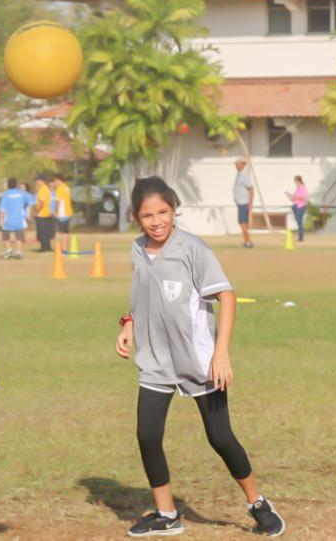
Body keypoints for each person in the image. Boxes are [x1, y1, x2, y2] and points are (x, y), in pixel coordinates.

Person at [115, 176, 286, 538]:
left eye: (163, 212)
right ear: (136, 217)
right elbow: (142, 295)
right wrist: (128, 323)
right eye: (147, 215)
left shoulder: (194, 249)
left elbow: (227, 296)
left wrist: (220, 353)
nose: (157, 221)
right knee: (147, 435)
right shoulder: (137, 249)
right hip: (157, 360)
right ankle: (166, 514)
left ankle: (258, 505)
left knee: (220, 438)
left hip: (199, 360)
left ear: (174, 208)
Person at [0, 178, 30, 259]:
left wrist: (1, 219)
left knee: (5, 237)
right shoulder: (21, 193)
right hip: (19, 219)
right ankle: (18, 252)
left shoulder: (6, 194)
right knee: (19, 236)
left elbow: (2, 209)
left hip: (8, 219)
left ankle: (8, 250)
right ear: (16, 184)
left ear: (8, 184)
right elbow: (30, 202)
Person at [232, 159, 254, 249]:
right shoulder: (239, 175)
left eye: (237, 164)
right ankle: (246, 241)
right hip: (240, 203)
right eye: (235, 164)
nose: (236, 165)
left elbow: (251, 189)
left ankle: (248, 242)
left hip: (244, 203)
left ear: (242, 165)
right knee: (241, 222)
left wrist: (250, 203)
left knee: (243, 222)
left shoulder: (244, 176)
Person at [33, 175, 55, 253]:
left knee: (42, 232)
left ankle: (44, 248)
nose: (36, 182)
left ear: (42, 181)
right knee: (45, 232)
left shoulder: (42, 189)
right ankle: (47, 247)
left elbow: (42, 202)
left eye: (38, 180)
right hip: (46, 212)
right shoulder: (45, 188)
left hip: (42, 213)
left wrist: (37, 210)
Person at [53, 173, 74, 252]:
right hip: (68, 211)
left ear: (58, 180)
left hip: (62, 212)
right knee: (66, 231)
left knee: (62, 232)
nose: (54, 183)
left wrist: (56, 211)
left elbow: (58, 201)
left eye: (55, 181)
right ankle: (64, 248)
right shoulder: (67, 188)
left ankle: (63, 249)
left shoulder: (60, 188)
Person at [286, 175, 307, 243]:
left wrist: (294, 197)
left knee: (299, 221)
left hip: (300, 206)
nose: (295, 182)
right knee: (298, 222)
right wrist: (291, 197)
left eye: (295, 181)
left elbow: (303, 198)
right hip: (295, 205)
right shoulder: (297, 188)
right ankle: (300, 237)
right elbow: (295, 197)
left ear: (299, 181)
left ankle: (301, 237)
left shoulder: (302, 188)